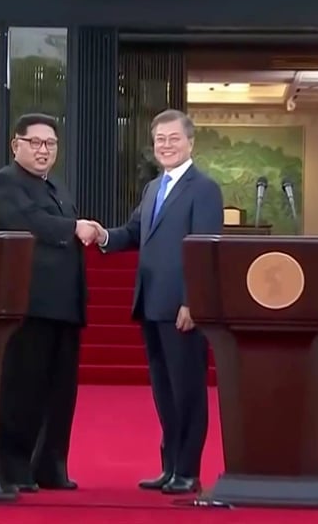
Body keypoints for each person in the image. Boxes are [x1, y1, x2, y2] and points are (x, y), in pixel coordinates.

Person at [85, 109, 224, 495]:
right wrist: (102, 236)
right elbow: (132, 232)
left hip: (182, 309)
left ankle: (188, 471)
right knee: (165, 392)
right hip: (150, 304)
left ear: (190, 142)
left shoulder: (204, 189)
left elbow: (205, 249)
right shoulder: (153, 189)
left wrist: (192, 301)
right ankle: (169, 468)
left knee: (188, 391)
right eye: (160, 139)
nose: (165, 145)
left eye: (173, 138)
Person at [0, 113, 99, 494]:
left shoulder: (57, 186)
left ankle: (50, 465)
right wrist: (73, 227)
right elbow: (25, 221)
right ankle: (13, 468)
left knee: (60, 392)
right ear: (15, 145)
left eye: (50, 143)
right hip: (29, 304)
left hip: (65, 306)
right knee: (23, 389)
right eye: (35, 142)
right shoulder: (4, 182)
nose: (43, 150)